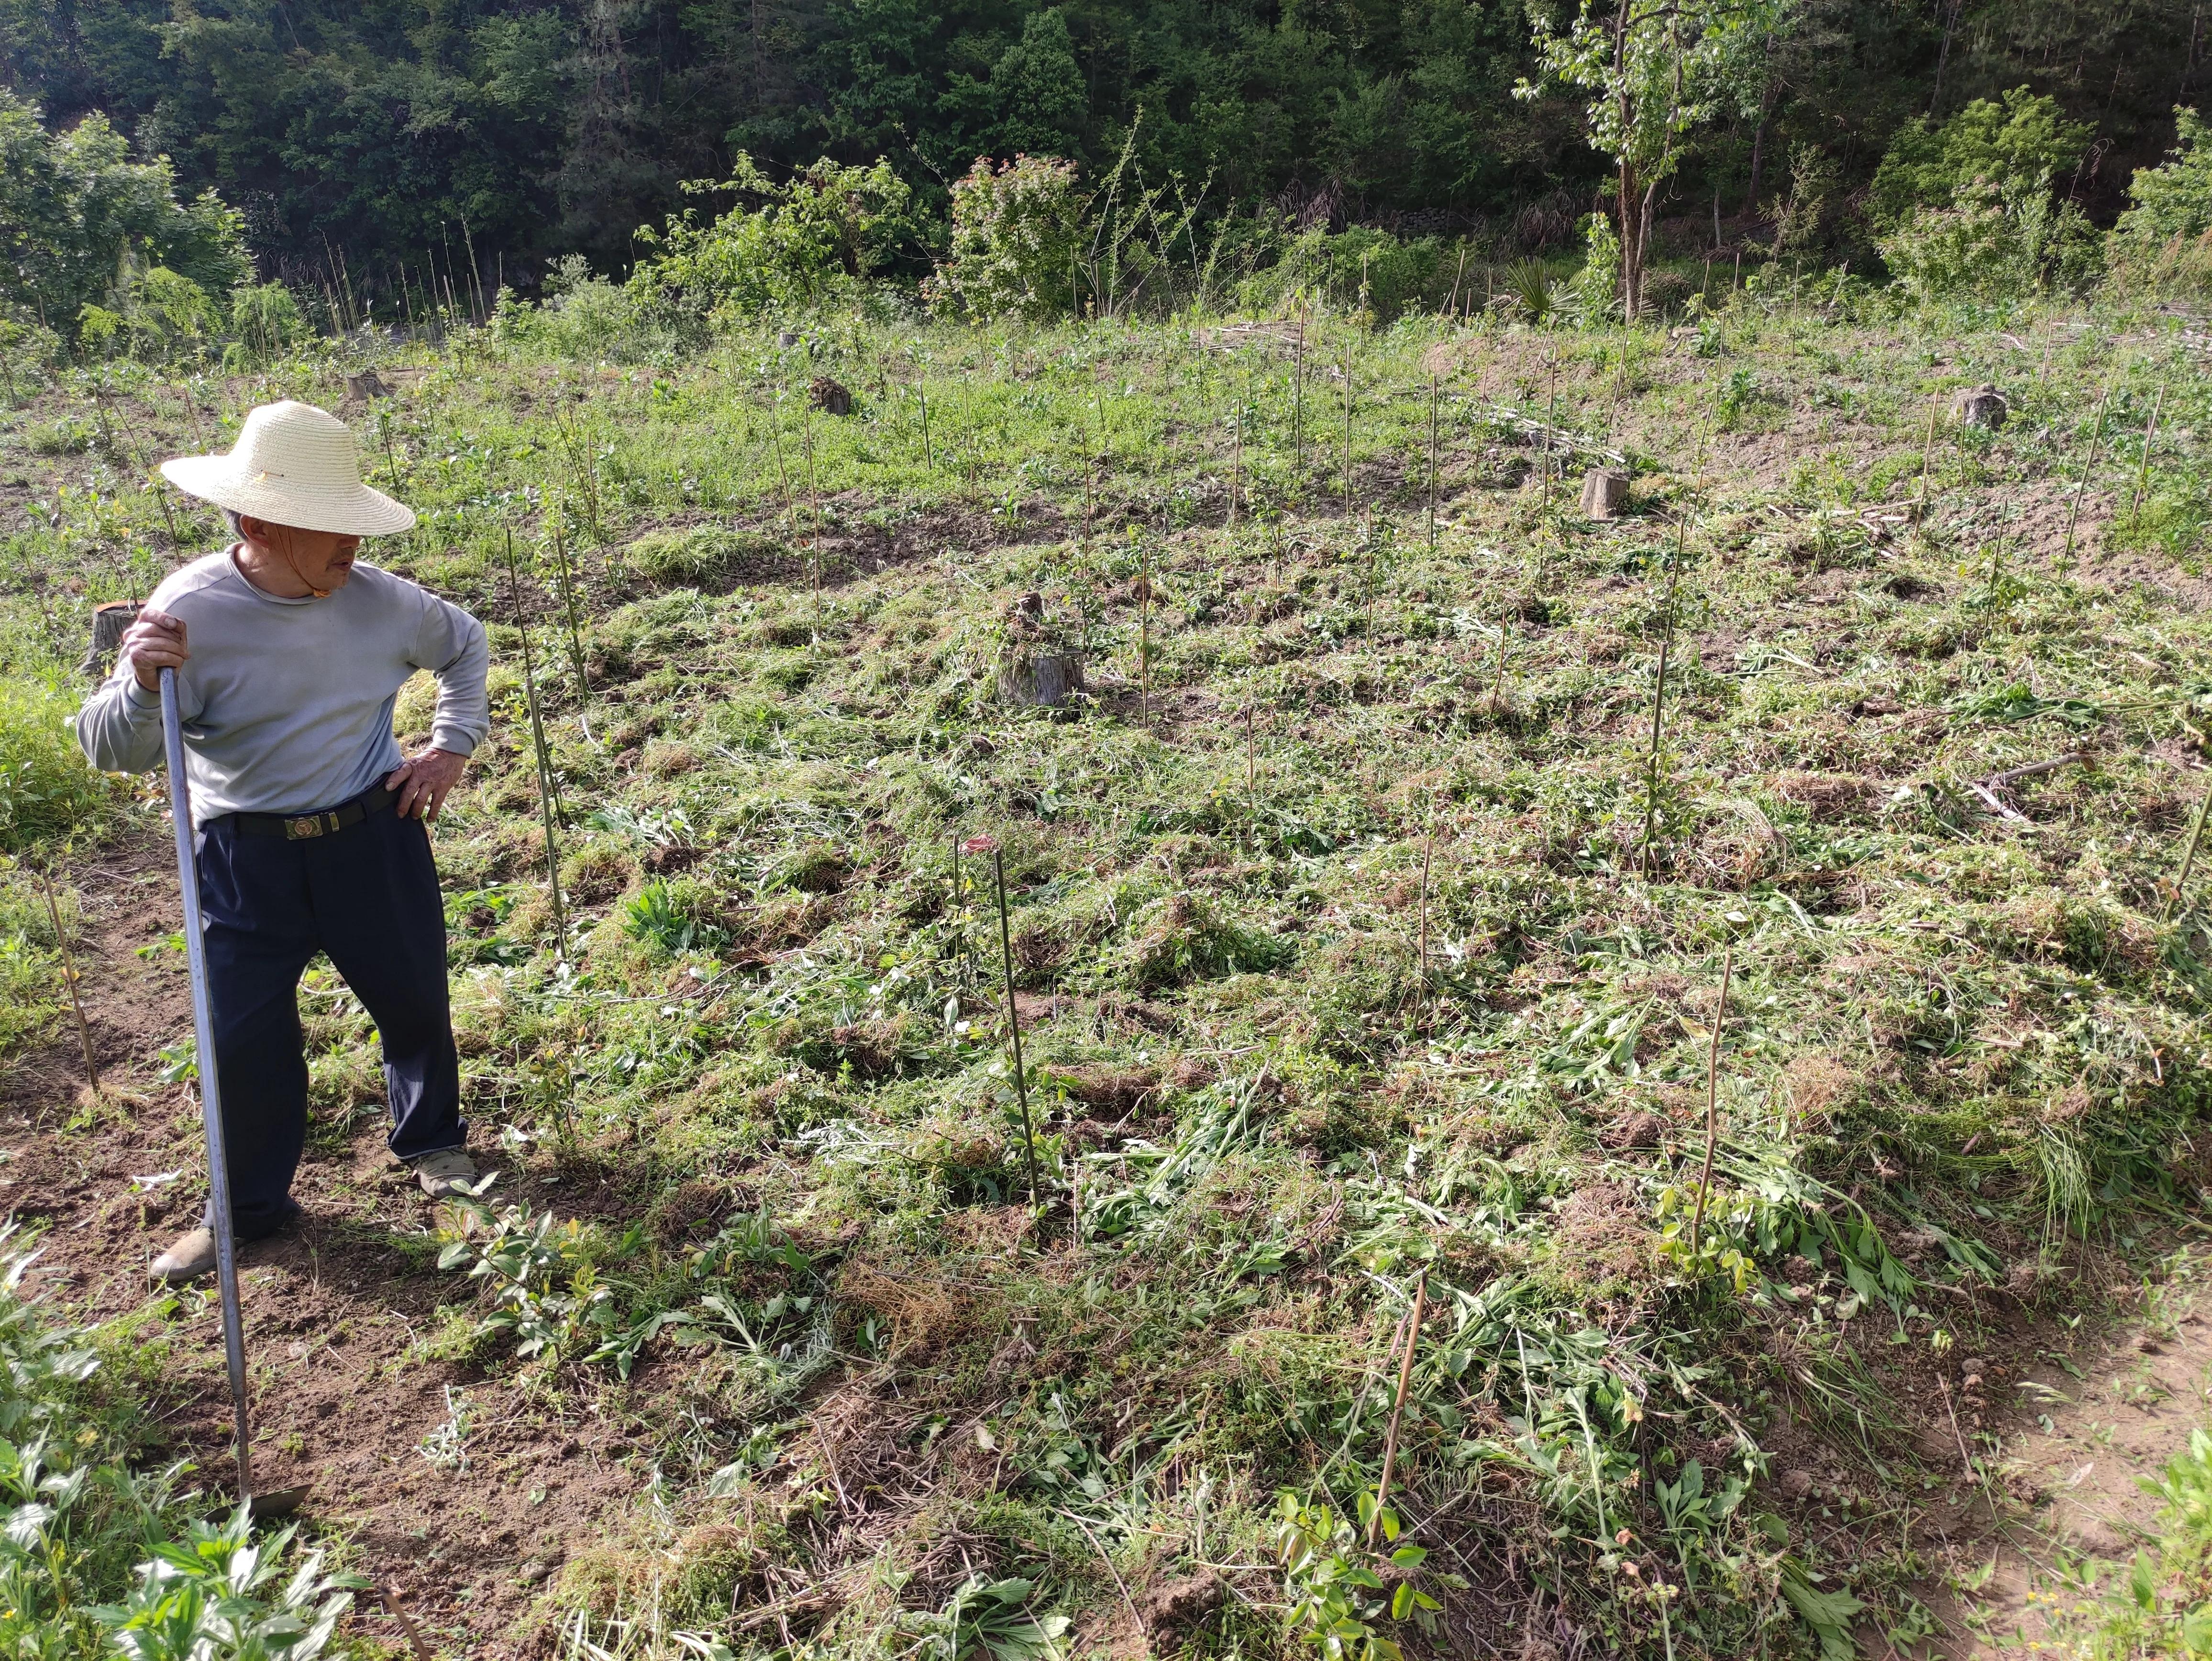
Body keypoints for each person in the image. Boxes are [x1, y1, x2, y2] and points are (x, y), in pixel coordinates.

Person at [77, 400, 490, 1282]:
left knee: (414, 999)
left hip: (369, 832)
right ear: (260, 523)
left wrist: (449, 749)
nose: (352, 544)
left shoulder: (384, 603)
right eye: (331, 527)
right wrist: (144, 683)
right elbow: (112, 749)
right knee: (242, 1038)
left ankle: (435, 1148)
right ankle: (248, 1210)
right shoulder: (190, 611)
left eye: (354, 523)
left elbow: (465, 646)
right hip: (242, 853)